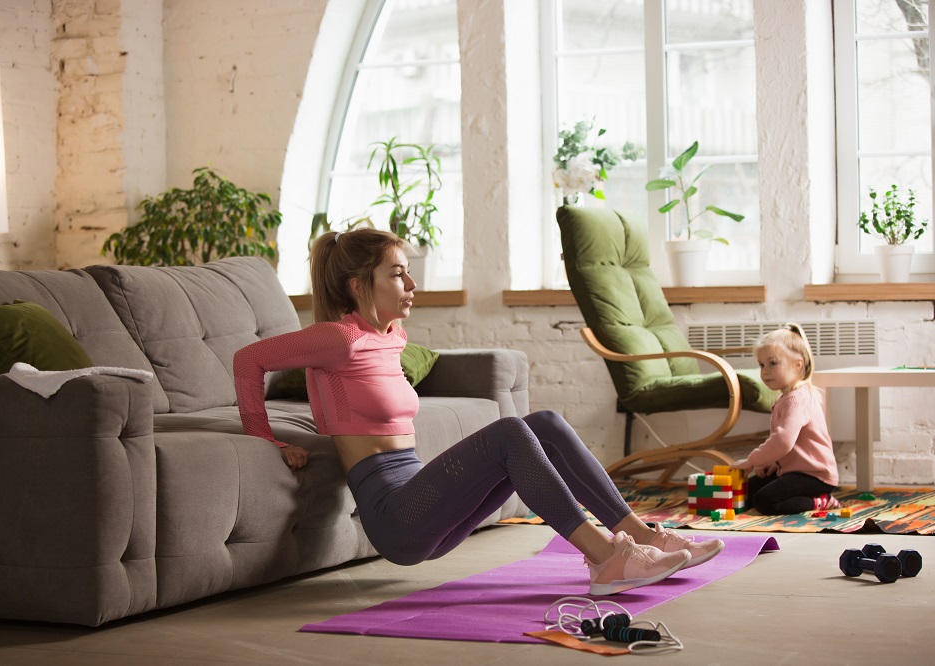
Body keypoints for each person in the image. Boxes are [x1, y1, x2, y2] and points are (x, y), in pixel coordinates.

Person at [234, 228, 724, 595]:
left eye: (408, 270)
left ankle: (639, 536)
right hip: (396, 517)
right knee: (510, 433)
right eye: (397, 272)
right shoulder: (336, 338)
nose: (411, 281)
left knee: (545, 424)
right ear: (359, 284)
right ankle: (605, 560)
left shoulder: (391, 338)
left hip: (425, 506)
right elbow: (247, 359)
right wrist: (264, 436)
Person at [731, 323, 840, 515]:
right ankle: (804, 495)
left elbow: (783, 441)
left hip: (815, 475)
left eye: (773, 363)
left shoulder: (798, 399)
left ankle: (821, 501)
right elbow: (795, 447)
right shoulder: (786, 398)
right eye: (762, 365)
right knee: (748, 492)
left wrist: (752, 461)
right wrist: (770, 463)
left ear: (798, 365)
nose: (765, 371)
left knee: (765, 501)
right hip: (795, 470)